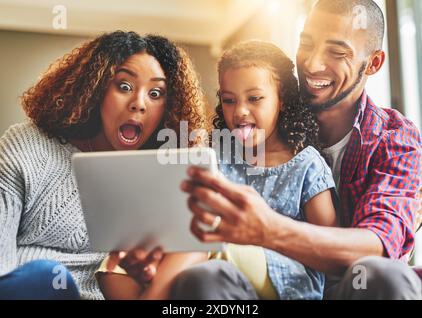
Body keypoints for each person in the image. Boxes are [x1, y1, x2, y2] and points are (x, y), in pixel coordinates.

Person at [171, 0, 422, 300]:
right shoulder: (265, 123)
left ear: (373, 63)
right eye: (307, 43)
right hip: (251, 288)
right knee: (203, 279)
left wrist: (269, 230)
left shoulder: (394, 139)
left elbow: (378, 244)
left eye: (337, 52)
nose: (313, 64)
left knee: (380, 273)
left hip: (339, 289)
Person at [105, 40, 338, 300]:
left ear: (281, 99)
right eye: (229, 100)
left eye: (254, 98)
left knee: (205, 235)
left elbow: (327, 248)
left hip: (287, 278)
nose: (240, 111)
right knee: (114, 262)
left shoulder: (306, 163)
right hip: (220, 271)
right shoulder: (214, 155)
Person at [0, 31, 208, 299]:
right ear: (96, 89)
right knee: (43, 274)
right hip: (26, 288)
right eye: (124, 86)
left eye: (156, 93)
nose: (139, 103)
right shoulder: (27, 145)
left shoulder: (163, 177)